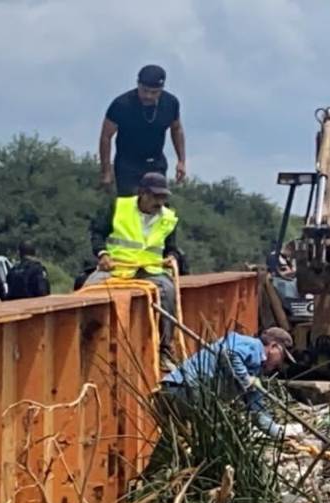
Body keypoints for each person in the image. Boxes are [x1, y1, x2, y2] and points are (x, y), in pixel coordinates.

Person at [85, 172, 181, 367]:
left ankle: (164, 348)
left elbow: (172, 247)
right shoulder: (119, 207)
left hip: (151, 270)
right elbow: (97, 232)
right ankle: (85, 342)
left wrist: (172, 257)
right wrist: (103, 254)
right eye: (155, 196)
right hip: (117, 267)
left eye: (163, 197)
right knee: (87, 289)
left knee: (168, 292)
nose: (159, 202)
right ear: (142, 193)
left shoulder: (168, 217)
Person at [159, 328, 297, 438]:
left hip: (172, 389)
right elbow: (229, 353)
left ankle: (154, 472)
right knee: (216, 437)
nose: (280, 364)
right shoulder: (254, 347)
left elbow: (255, 407)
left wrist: (276, 432)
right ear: (273, 346)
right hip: (186, 389)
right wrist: (245, 379)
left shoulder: (253, 369)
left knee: (173, 444)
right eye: (282, 357)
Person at [99, 64, 187, 196]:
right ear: (138, 84)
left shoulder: (171, 103)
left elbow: (177, 129)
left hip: (156, 162)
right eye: (144, 90)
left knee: (156, 203)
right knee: (131, 205)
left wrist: (181, 161)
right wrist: (106, 171)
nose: (148, 96)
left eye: (154, 92)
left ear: (162, 89)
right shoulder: (121, 105)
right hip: (127, 164)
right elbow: (106, 137)